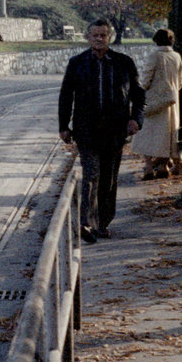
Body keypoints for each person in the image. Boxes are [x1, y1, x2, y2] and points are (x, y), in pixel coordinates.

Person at [58, 19, 146, 244]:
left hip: (115, 132)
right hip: (86, 132)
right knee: (91, 175)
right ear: (88, 37)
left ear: (109, 37)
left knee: (108, 179)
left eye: (103, 35)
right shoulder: (77, 63)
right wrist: (63, 127)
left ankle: (103, 222)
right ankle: (86, 223)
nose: (99, 39)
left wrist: (136, 119)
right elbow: (66, 96)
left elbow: (138, 95)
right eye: (95, 35)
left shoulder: (123, 63)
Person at [131, 29, 182, 179]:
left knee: (147, 134)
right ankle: (163, 165)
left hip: (153, 102)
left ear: (156, 40)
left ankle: (148, 166)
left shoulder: (154, 56)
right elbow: (180, 80)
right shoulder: (176, 56)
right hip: (172, 101)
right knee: (168, 134)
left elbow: (146, 79)